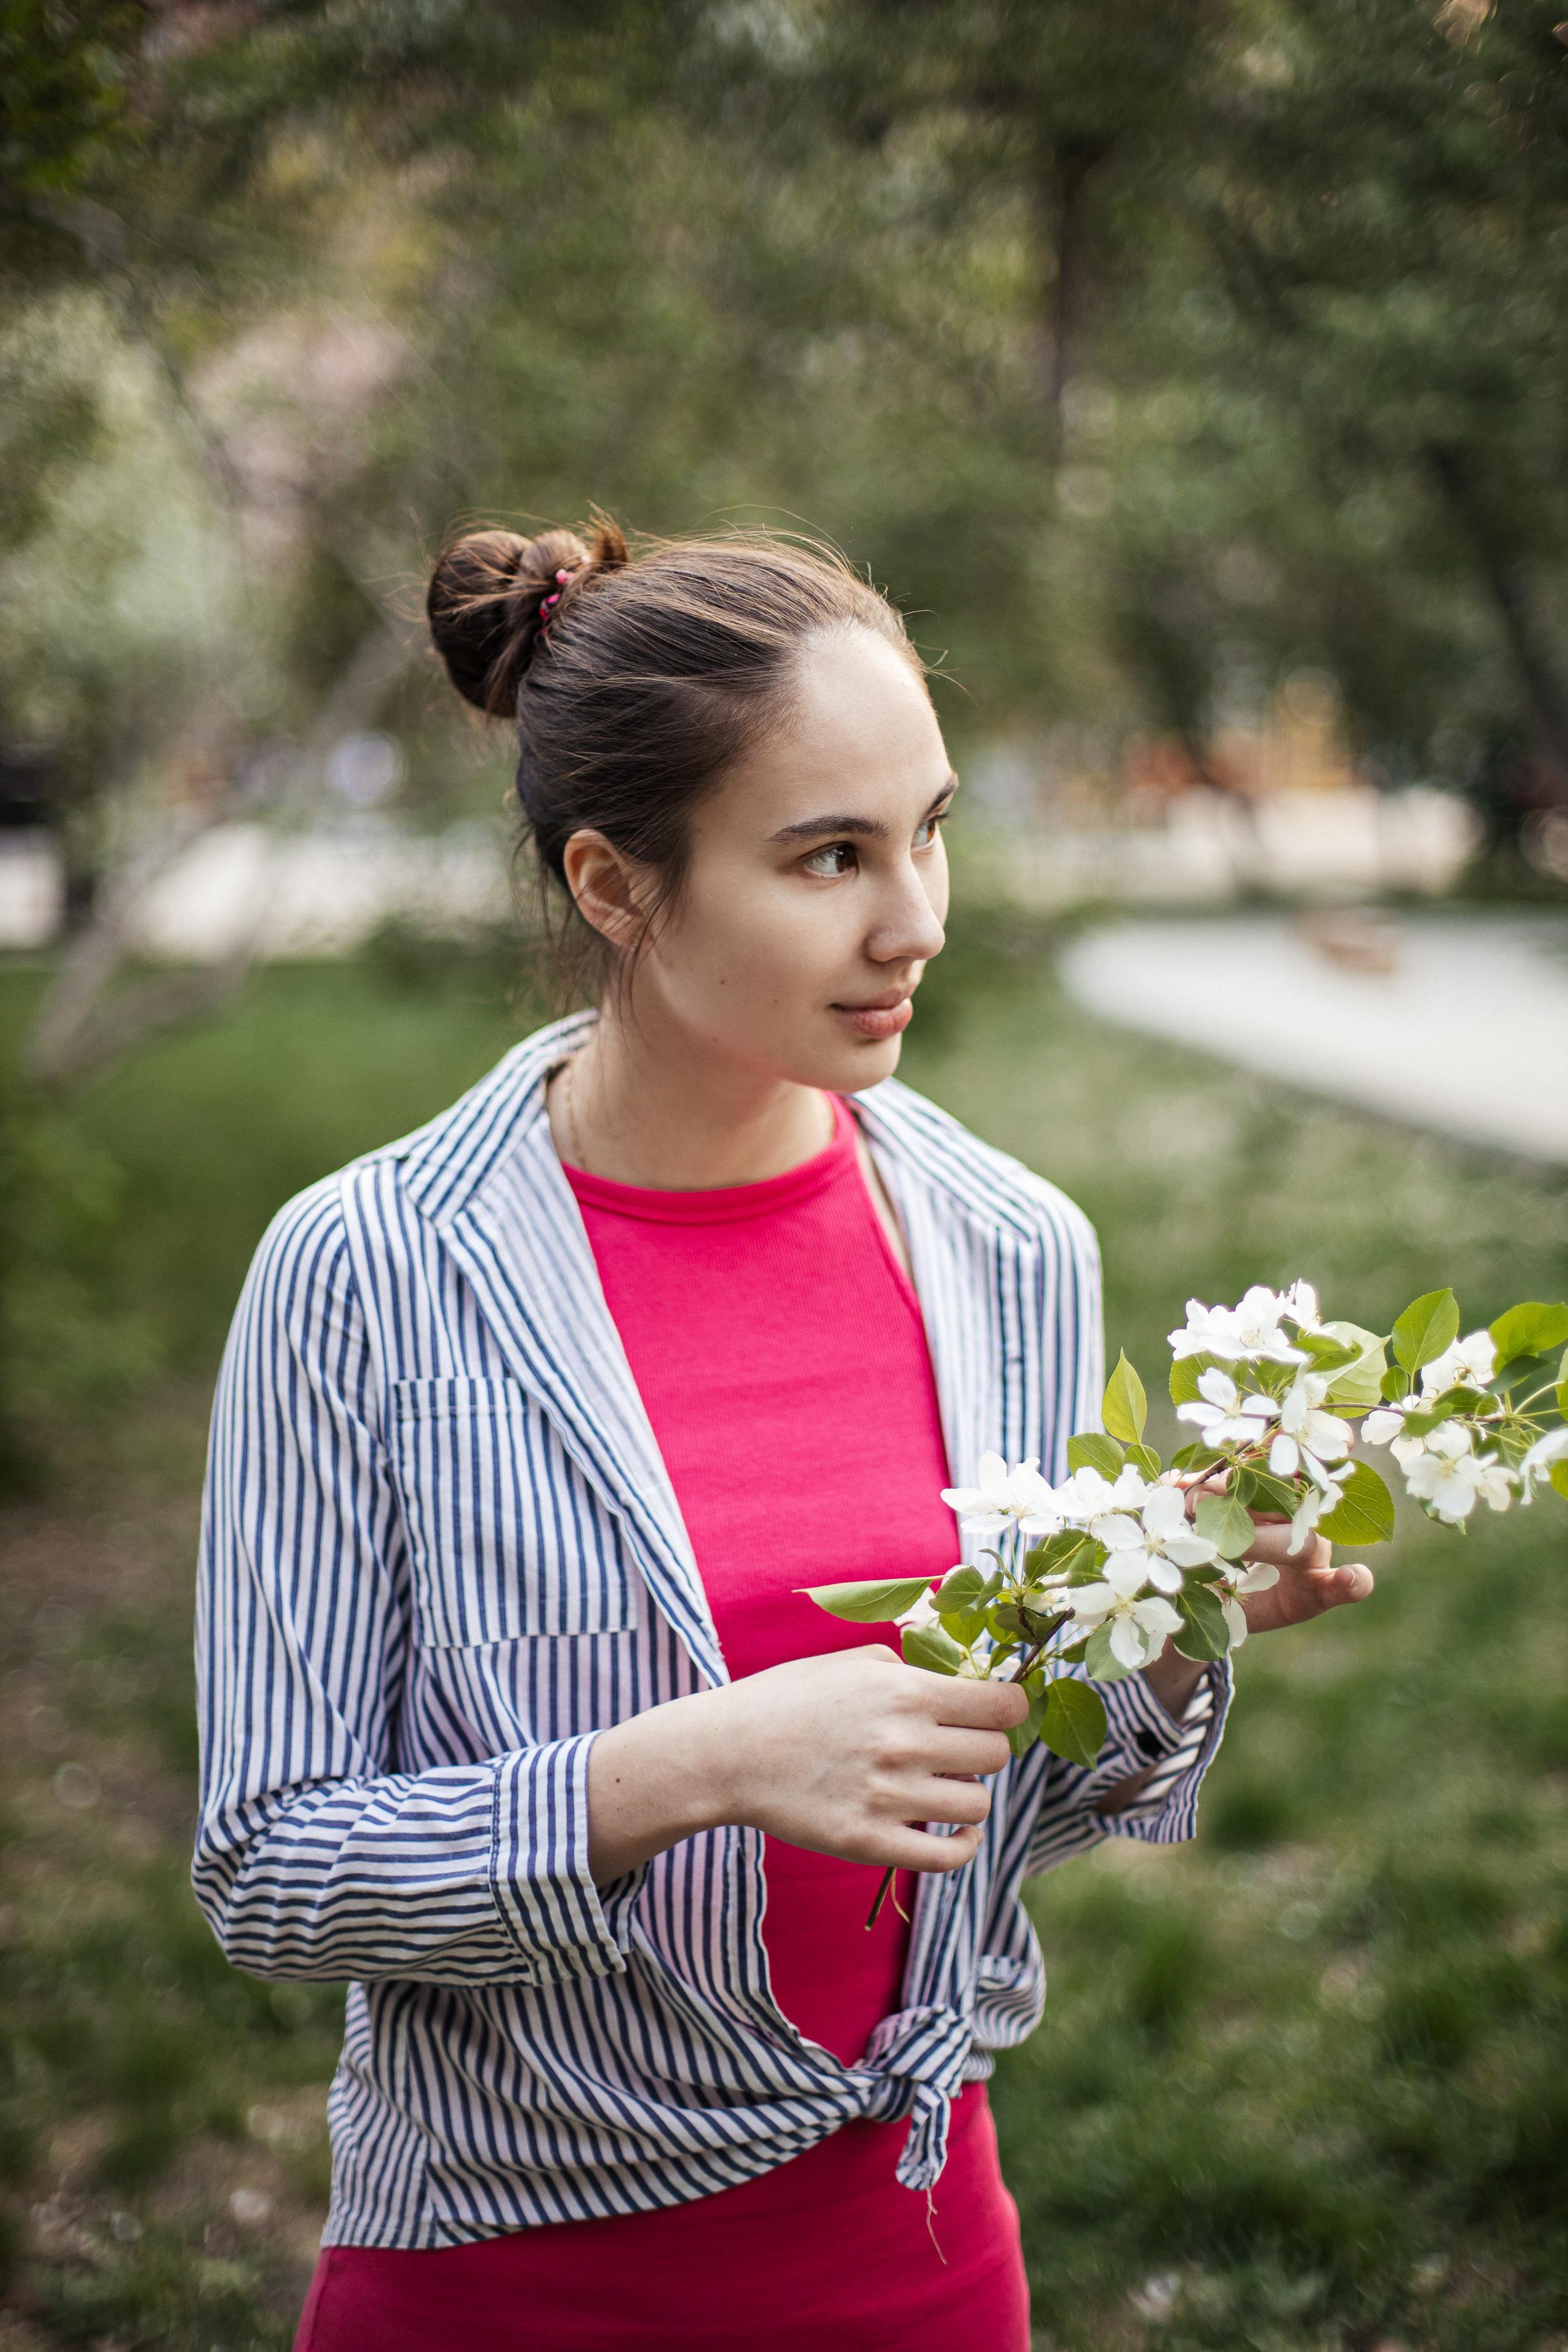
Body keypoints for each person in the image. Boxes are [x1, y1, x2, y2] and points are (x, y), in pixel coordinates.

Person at [193, 520, 1374, 2352]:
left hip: (917, 2260)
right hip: (507, 2275)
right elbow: (272, 1866)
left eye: (930, 828)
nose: (916, 917)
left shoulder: (1010, 1245)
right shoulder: (368, 1276)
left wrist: (1160, 1624)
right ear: (614, 883)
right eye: (828, 855)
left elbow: (987, 1813)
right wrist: (690, 1762)